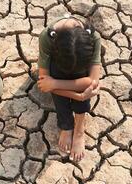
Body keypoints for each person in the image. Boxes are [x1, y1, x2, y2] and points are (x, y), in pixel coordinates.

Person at [37, 14, 102, 162]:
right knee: (61, 75)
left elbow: (92, 81)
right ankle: (66, 125)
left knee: (82, 80)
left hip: (68, 76)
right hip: (57, 68)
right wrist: (77, 94)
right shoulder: (47, 38)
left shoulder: (93, 38)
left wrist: (56, 84)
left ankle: (79, 128)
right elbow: (44, 82)